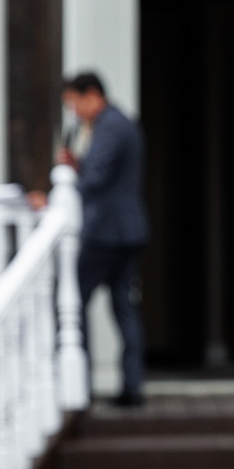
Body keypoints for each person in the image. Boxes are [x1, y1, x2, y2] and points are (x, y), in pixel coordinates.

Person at [62, 73, 149, 408]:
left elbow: (96, 179)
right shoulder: (121, 123)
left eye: (74, 103)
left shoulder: (110, 126)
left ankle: (79, 386)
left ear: (92, 95)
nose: (75, 112)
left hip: (108, 233)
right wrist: (78, 164)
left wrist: (73, 176)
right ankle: (132, 385)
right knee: (124, 308)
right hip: (126, 231)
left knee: (73, 301)